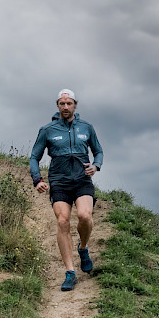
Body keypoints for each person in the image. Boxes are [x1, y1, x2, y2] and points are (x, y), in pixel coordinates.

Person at [29, 89, 104, 291]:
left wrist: (96, 165)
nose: (65, 107)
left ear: (75, 105)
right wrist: (38, 180)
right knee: (62, 221)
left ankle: (83, 248)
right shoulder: (47, 130)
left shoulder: (86, 127)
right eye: (62, 104)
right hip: (60, 181)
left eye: (69, 103)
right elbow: (34, 157)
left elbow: (98, 150)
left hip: (82, 179)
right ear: (57, 105)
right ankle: (70, 273)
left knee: (85, 216)